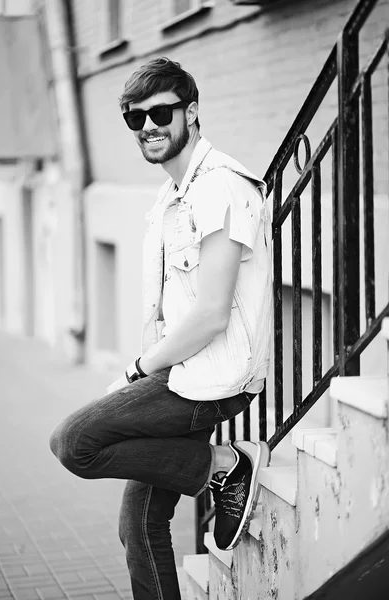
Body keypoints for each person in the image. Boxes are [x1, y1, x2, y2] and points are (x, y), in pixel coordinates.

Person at [50, 57, 272, 600]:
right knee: (139, 526)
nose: (149, 126)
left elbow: (213, 312)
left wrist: (135, 371)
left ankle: (226, 462)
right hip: (181, 372)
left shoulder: (222, 188)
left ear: (191, 112)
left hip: (211, 381)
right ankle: (219, 468)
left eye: (162, 112)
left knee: (75, 442)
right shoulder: (171, 198)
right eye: (136, 118)